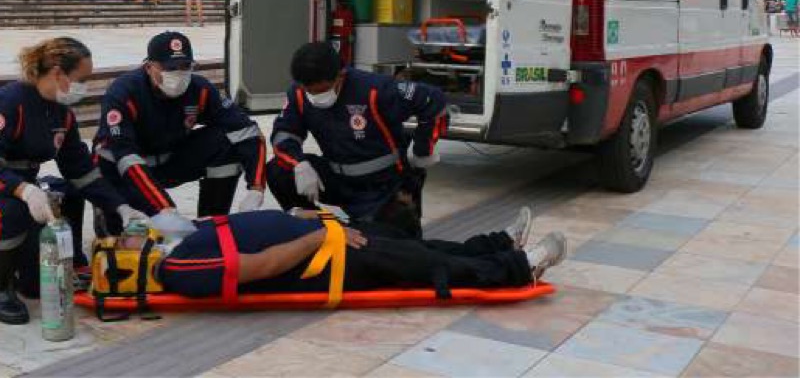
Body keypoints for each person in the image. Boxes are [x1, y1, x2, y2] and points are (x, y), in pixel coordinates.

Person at [0, 38, 146, 325]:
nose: (85, 87)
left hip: (21, 186)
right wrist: (23, 190)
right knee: (12, 211)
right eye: (82, 79)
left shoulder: (61, 115)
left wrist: (121, 207)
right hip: (8, 189)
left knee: (35, 285)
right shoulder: (11, 102)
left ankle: (19, 268)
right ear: (57, 73)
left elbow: (81, 171)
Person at [149, 207, 566, 299]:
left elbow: (247, 231)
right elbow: (262, 266)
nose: (131, 233)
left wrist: (305, 219)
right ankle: (518, 268)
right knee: (422, 265)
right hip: (321, 260)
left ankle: (499, 244)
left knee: (414, 244)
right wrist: (315, 239)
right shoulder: (180, 267)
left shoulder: (184, 238)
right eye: (124, 241)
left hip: (321, 234)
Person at [93, 31, 268, 237]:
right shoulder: (125, 92)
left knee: (225, 143)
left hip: (170, 160)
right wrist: (164, 208)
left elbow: (248, 131)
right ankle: (109, 211)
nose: (178, 74)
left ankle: (212, 225)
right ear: (149, 67)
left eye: (185, 67)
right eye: (170, 68)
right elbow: (124, 154)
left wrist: (256, 188)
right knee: (124, 241)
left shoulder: (200, 89)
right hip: (124, 171)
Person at [266, 42, 448, 238]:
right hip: (338, 178)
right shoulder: (300, 94)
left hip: (384, 185)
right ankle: (316, 229)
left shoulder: (375, 90)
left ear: (340, 76)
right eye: (309, 91)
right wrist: (299, 164)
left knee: (393, 249)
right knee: (279, 170)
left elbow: (433, 101)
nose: (315, 97)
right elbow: (284, 133)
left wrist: (422, 150)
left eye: (322, 91)